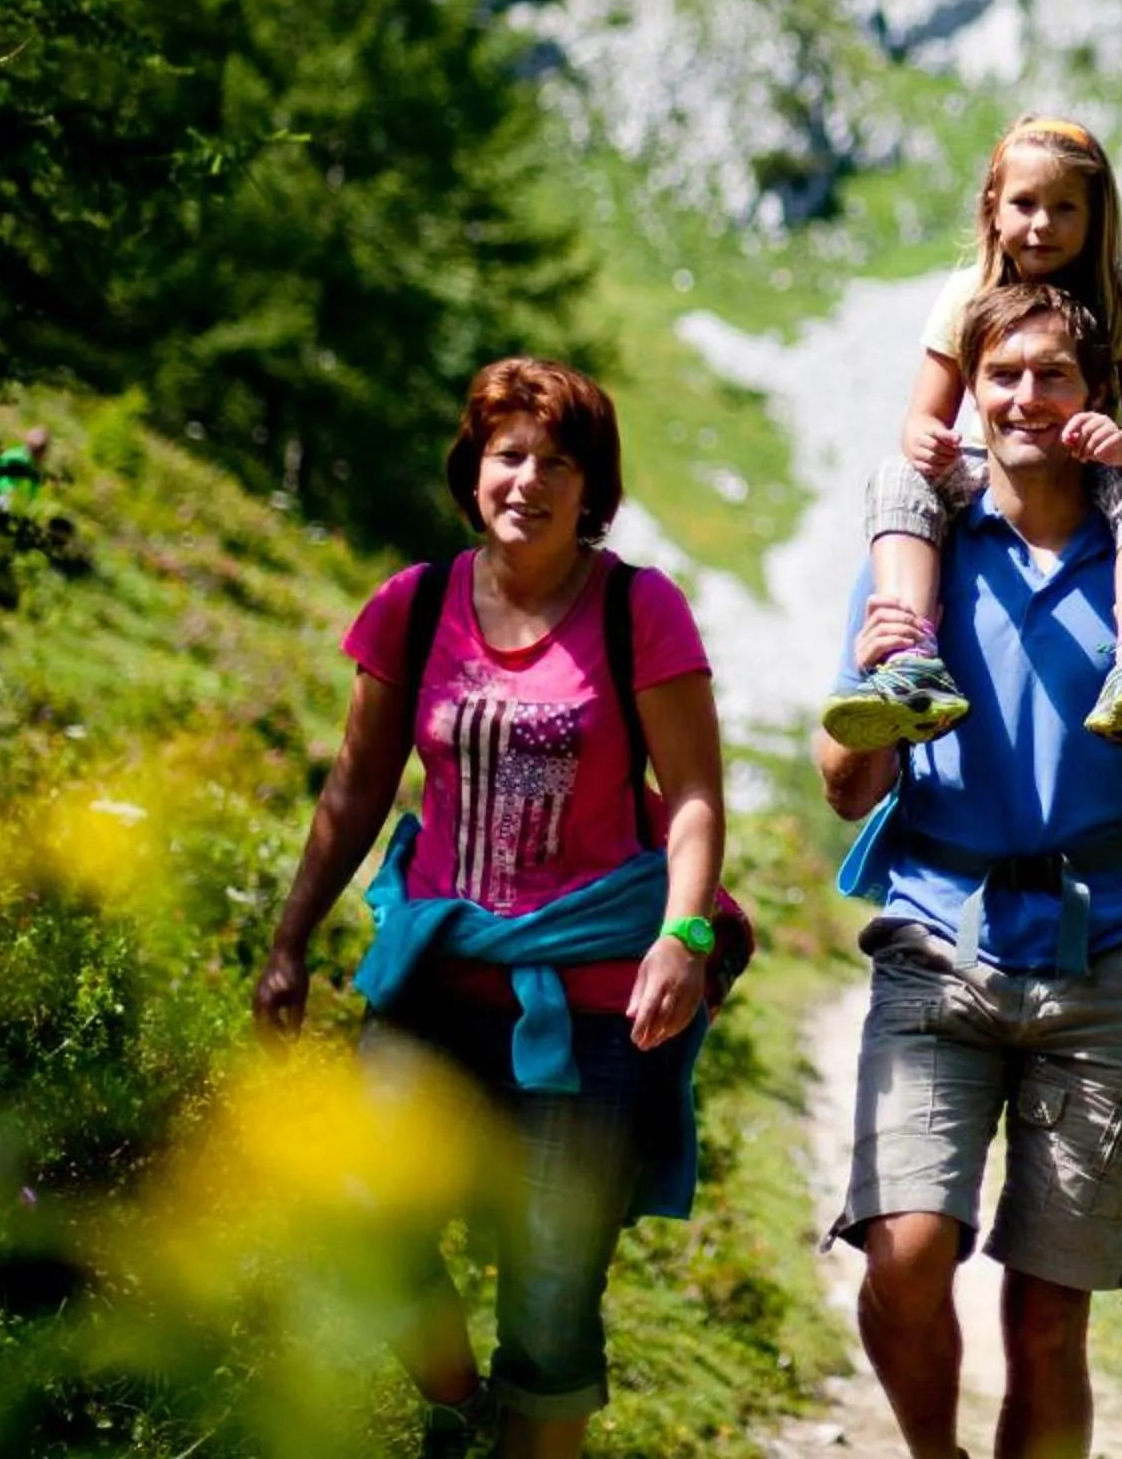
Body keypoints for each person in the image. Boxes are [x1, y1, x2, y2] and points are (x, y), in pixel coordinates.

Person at [816, 282, 1122, 1459]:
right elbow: (841, 779)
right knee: (906, 1251)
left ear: (1100, 396)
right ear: (966, 395)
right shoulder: (913, 551)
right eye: (1001, 375)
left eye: (1054, 375)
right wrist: (878, 703)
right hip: (936, 937)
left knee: (1048, 1316)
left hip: (1112, 955)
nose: (1025, 398)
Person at [253, 356, 726, 1459]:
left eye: (558, 461)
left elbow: (696, 794)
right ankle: (457, 1404)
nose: (530, 478)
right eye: (509, 454)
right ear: (473, 472)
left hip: (592, 1007)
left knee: (552, 1313)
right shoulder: (414, 605)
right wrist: (288, 939)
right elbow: (357, 786)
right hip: (433, 982)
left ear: (591, 487)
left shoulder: (637, 610)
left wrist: (684, 933)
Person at [821, 113, 1122, 755]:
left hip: (1097, 463)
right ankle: (908, 652)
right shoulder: (967, 293)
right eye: (1025, 204)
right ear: (993, 209)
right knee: (895, 477)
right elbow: (922, 415)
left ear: (1095, 216)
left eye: (1064, 207)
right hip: (986, 462)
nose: (1042, 224)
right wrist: (923, 442)